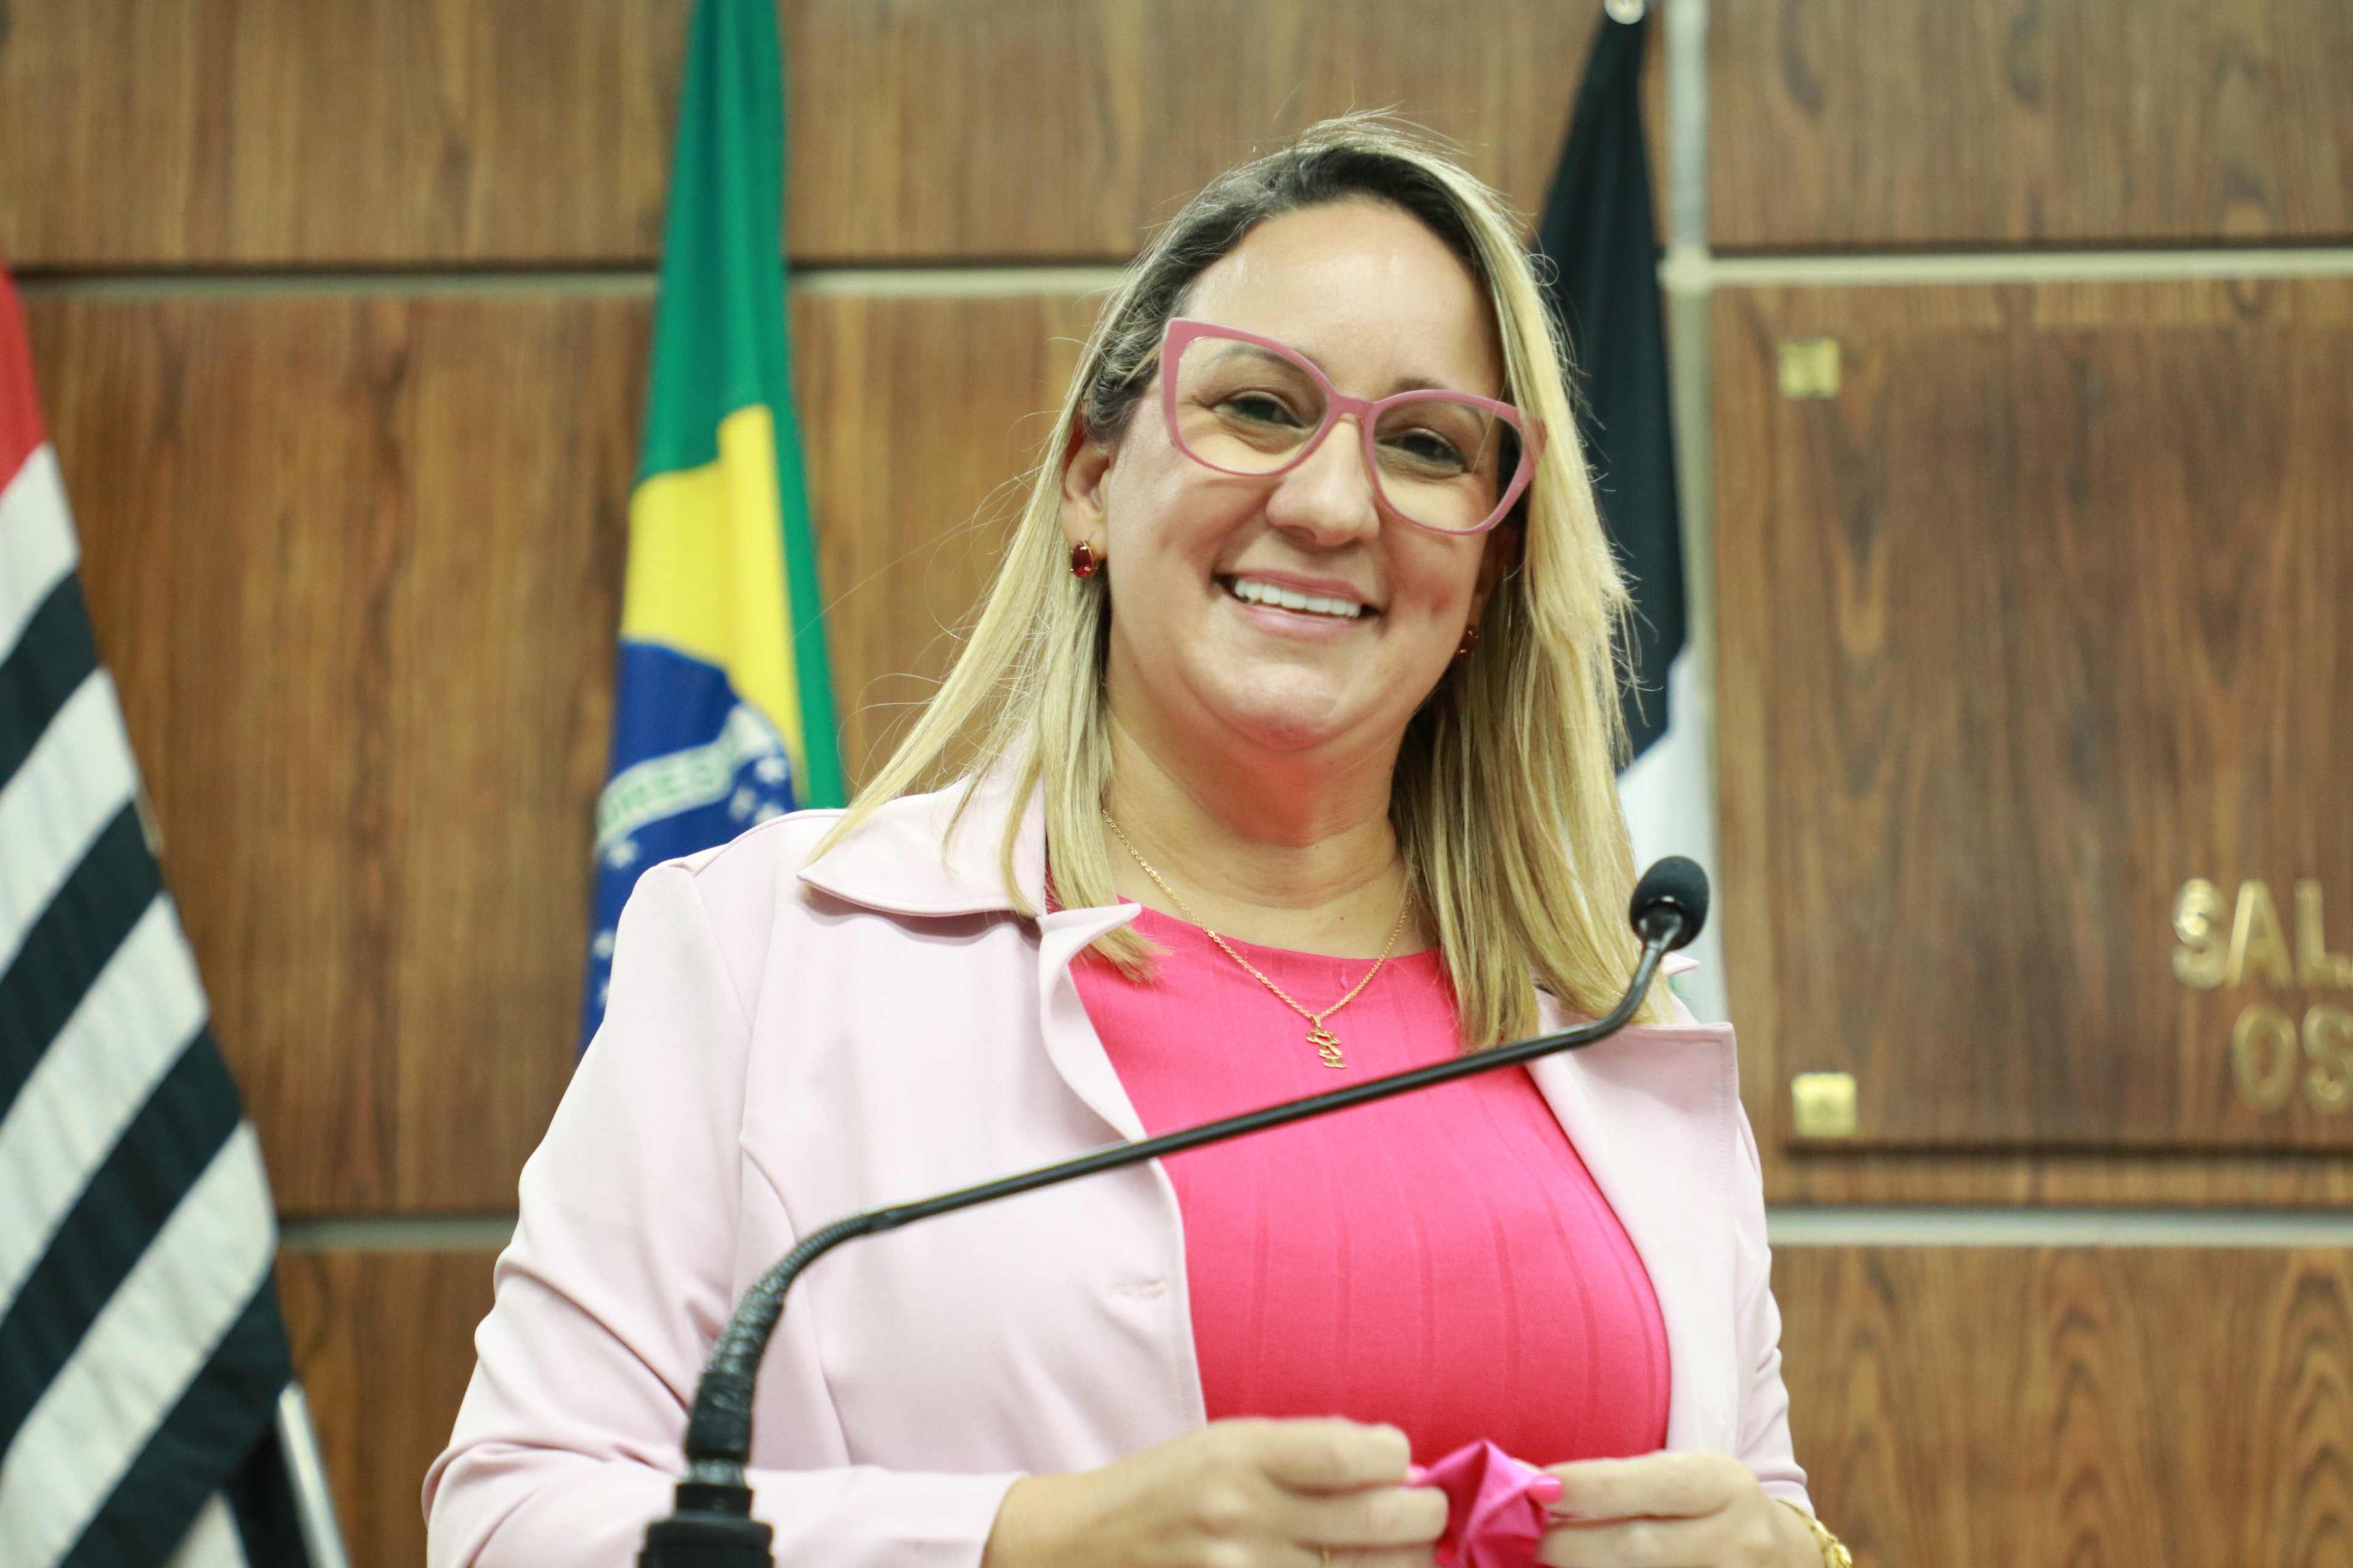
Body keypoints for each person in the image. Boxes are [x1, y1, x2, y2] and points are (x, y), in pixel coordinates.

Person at [425, 116, 1844, 1568]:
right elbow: (513, 1521)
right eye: (1259, 407)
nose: (1331, 504)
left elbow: (1769, 1502)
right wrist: (1024, 1544)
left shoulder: (1618, 1019)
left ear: (1488, 569)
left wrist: (1794, 1559)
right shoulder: (768, 949)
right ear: (1092, 479)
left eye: (1427, 446)